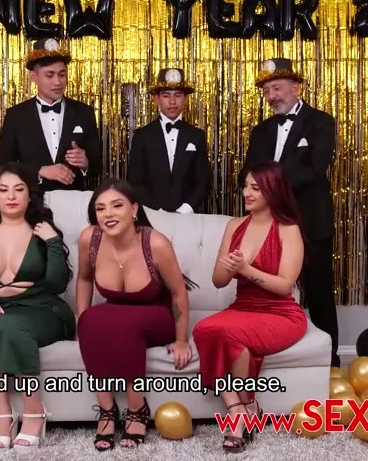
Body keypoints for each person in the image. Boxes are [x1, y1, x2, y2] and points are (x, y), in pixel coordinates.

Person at [192, 161, 308, 453]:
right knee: (204, 329)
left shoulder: (288, 229)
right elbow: (218, 281)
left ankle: (238, 417)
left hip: (281, 313)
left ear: (273, 190)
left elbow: (284, 286)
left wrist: (246, 269)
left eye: (255, 188)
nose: (247, 193)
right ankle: (242, 406)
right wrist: (230, 268)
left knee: (228, 335)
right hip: (242, 307)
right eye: (245, 186)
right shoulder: (234, 226)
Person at [0, 162, 76, 452]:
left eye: (18, 189)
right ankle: (3, 415)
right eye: (4, 190)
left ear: (30, 195)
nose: (11, 196)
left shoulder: (42, 229)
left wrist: (52, 242)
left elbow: (58, 284)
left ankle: (34, 411)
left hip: (43, 308)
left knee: (12, 326)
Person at [75, 179, 196, 451]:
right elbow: (84, 279)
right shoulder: (90, 239)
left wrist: (181, 340)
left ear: (133, 210)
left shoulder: (156, 243)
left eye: (117, 206)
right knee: (90, 320)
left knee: (125, 326)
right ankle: (107, 411)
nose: (108, 214)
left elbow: (178, 293)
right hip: (115, 312)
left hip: (156, 314)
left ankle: (137, 408)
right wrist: (81, 321)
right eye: (100, 208)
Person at [242, 57, 339, 367]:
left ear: (296, 88)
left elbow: (315, 169)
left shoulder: (321, 122)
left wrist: (269, 185)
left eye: (277, 88)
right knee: (270, 292)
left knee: (319, 292)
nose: (271, 96)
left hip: (311, 222)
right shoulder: (261, 131)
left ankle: (329, 362)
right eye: (266, 91)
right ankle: (274, 358)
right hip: (269, 225)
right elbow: (247, 172)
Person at [0, 37, 101, 192]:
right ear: (33, 77)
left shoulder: (84, 112)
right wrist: (40, 171)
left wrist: (85, 164)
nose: (58, 82)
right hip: (31, 201)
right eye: (49, 75)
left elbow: (97, 167)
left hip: (73, 200)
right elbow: (4, 167)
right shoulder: (16, 116)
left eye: (62, 74)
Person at [126, 68, 211, 213]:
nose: (172, 101)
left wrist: (184, 210)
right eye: (166, 95)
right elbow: (135, 181)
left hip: (187, 216)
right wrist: (157, 211)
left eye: (178, 95)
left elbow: (203, 181)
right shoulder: (142, 136)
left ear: (185, 99)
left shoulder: (196, 136)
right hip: (151, 215)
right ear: (156, 99)